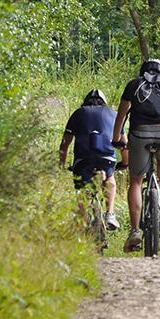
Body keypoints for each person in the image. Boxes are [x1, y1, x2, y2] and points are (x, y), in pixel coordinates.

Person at [112, 58, 160, 252]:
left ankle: (135, 230)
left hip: (139, 133)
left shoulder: (133, 85)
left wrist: (116, 138)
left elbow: (121, 115)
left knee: (136, 180)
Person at [59, 89, 120, 230]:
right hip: (107, 157)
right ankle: (110, 213)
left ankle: (83, 217)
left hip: (83, 158)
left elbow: (65, 142)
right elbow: (124, 142)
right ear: (104, 103)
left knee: (81, 187)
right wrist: (126, 162)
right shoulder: (113, 114)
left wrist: (62, 163)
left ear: (85, 102)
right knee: (110, 178)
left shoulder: (79, 113)